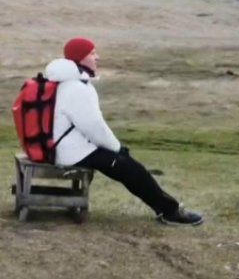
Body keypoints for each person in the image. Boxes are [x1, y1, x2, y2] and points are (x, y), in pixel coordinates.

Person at [44, 37, 204, 226]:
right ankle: (170, 212)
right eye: (92, 53)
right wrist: (117, 148)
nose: (97, 57)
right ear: (81, 58)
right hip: (70, 152)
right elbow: (94, 128)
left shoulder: (66, 83)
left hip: (64, 147)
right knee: (130, 169)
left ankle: (168, 209)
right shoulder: (76, 88)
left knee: (127, 166)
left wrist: (115, 149)